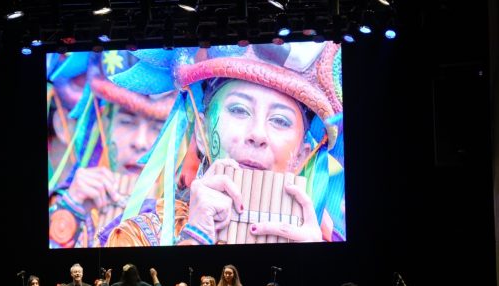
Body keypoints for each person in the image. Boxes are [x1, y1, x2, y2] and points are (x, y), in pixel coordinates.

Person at [105, 42, 345, 246]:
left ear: (302, 155)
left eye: (280, 120)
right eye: (239, 110)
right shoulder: (139, 236)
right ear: (203, 133)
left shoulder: (323, 241)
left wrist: (311, 261)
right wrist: (194, 237)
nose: (258, 134)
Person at [48, 50, 175, 248]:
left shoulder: (185, 213)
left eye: (158, 127)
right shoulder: (68, 201)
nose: (140, 142)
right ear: (104, 125)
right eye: (126, 121)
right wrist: (71, 207)